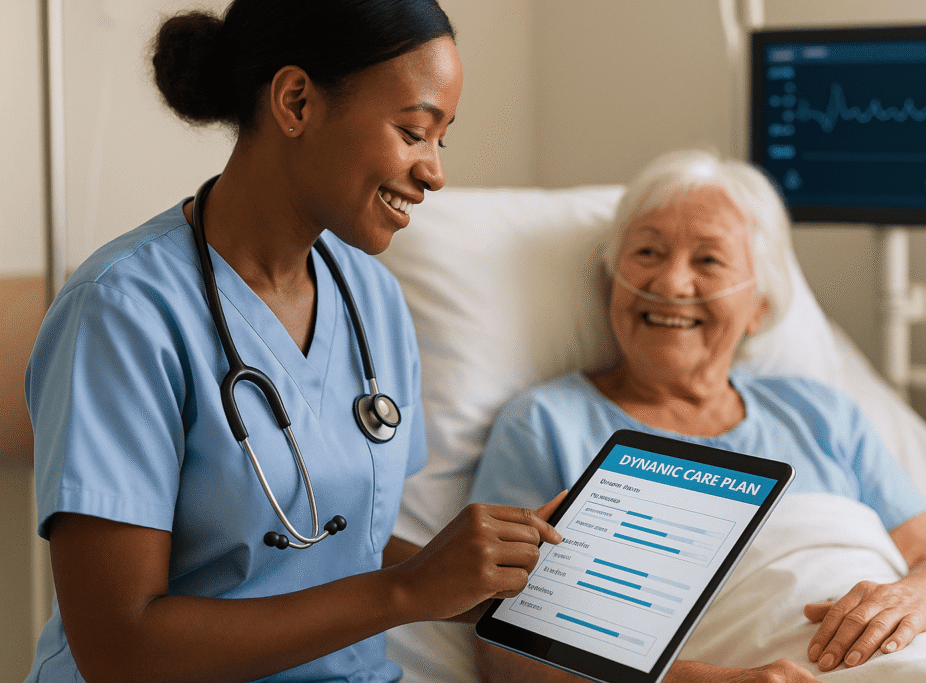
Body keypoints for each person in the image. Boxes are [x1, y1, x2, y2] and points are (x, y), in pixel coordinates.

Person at [24, 2, 563, 681]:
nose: (434, 172)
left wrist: (464, 573)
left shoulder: (373, 298)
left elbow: (335, 541)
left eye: (441, 140)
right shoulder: (124, 311)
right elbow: (119, 649)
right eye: (413, 131)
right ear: (297, 101)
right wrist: (408, 590)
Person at [469, 150, 926, 683]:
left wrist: (909, 601)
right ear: (610, 283)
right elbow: (506, 652)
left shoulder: (820, 412)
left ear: (759, 306)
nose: (670, 284)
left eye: (709, 260)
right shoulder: (548, 424)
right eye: (647, 252)